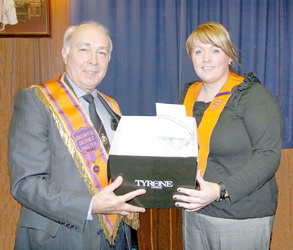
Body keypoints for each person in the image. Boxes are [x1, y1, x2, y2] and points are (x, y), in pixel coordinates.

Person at [8, 21, 146, 250]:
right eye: (84, 49)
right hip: (61, 237)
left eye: (102, 52)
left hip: (115, 237)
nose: (94, 60)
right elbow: (26, 184)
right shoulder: (35, 100)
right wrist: (91, 205)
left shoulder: (112, 107)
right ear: (65, 53)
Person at [173, 22, 283, 249]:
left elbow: (268, 156)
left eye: (215, 50)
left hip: (240, 214)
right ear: (190, 57)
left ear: (230, 57)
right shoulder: (188, 94)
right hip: (195, 210)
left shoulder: (251, 95)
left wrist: (220, 190)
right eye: (198, 51)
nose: (206, 59)